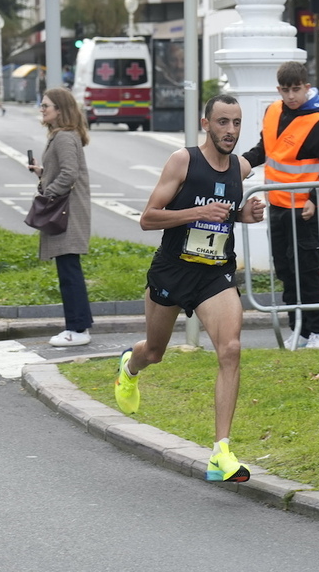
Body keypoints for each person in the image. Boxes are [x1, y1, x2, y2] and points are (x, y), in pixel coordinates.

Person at [113, 94, 266, 483]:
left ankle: (221, 453)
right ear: (206, 124)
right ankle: (130, 367)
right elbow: (148, 219)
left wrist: (243, 216)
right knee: (155, 352)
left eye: (236, 123)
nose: (230, 131)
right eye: (222, 123)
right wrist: (198, 211)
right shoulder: (184, 161)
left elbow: (227, 214)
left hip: (213, 276)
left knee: (231, 349)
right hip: (172, 272)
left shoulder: (240, 168)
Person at [241, 61, 319, 349]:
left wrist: (316, 199)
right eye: (286, 90)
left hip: (305, 211)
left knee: (308, 270)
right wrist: (244, 162)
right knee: (287, 270)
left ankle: (318, 332)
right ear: (278, 90)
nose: (291, 96)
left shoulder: (318, 123)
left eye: (296, 90)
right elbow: (266, 149)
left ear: (306, 87)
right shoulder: (273, 112)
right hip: (277, 205)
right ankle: (298, 329)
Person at [27, 88, 94, 347]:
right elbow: (63, 171)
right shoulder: (63, 136)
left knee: (69, 271)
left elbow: (69, 174)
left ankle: (76, 329)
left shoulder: (64, 137)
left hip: (68, 212)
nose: (42, 110)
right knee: (69, 268)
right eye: (42, 105)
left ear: (60, 110)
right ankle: (80, 326)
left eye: (46, 106)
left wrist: (48, 194)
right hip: (69, 210)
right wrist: (43, 172)